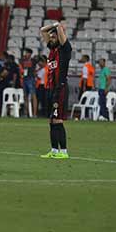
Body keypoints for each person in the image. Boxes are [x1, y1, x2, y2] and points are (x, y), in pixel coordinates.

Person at [40, 21, 71, 159]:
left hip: (61, 88)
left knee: (58, 120)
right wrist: (52, 27)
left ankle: (63, 151)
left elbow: (59, 29)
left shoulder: (65, 50)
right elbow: (42, 31)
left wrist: (57, 26)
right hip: (51, 89)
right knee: (51, 120)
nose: (51, 39)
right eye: (50, 37)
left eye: (54, 37)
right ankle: (54, 150)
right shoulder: (52, 51)